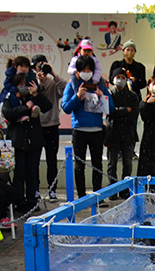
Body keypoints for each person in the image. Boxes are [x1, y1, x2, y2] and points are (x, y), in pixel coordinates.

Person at [62, 56, 115, 202]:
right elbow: (66, 108)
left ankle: (97, 196)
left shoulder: (99, 84)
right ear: (77, 71)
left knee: (97, 164)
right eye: (83, 70)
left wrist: (102, 96)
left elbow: (111, 107)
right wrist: (77, 96)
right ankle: (81, 197)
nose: (86, 72)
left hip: (97, 130)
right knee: (79, 165)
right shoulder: (72, 84)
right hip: (79, 130)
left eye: (89, 70)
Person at [2, 67, 52, 212]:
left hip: (34, 140)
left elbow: (47, 106)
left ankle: (32, 200)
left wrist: (36, 93)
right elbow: (8, 113)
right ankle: (20, 201)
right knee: (19, 173)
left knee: (32, 173)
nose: (24, 88)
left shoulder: (34, 96)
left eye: (27, 84)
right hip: (18, 141)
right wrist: (25, 108)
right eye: (21, 84)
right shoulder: (10, 97)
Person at [32, 54, 67, 203]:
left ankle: (52, 189)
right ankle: (35, 188)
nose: (41, 68)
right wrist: (39, 83)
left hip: (52, 125)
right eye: (38, 65)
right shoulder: (32, 82)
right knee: (34, 160)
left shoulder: (53, 82)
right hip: (36, 126)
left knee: (52, 159)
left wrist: (52, 73)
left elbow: (65, 87)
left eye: (44, 65)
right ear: (34, 67)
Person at [105, 68, 139, 200]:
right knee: (111, 163)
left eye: (123, 77)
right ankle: (112, 190)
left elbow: (134, 114)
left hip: (128, 132)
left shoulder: (133, 96)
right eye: (117, 77)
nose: (120, 79)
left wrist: (120, 112)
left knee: (127, 163)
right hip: (112, 132)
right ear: (113, 79)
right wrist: (125, 110)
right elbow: (110, 112)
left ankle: (125, 191)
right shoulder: (109, 95)